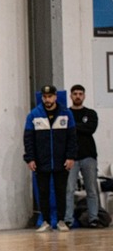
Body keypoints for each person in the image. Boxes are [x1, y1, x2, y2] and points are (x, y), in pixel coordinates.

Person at [23, 85, 77, 233]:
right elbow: (28, 140)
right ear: (42, 98)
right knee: (43, 192)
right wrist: (30, 159)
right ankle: (46, 221)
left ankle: (61, 220)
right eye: (45, 97)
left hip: (61, 161)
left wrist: (71, 157)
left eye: (50, 96)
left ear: (55, 97)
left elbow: (72, 138)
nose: (47, 99)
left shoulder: (66, 114)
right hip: (41, 161)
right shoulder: (33, 115)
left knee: (61, 192)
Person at [65, 84, 100, 228]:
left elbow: (90, 129)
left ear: (84, 96)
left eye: (80, 93)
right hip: (71, 157)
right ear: (71, 96)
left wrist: (73, 126)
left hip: (88, 156)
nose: (78, 96)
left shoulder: (91, 113)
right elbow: (64, 131)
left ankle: (93, 218)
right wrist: (76, 127)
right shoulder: (65, 113)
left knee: (91, 189)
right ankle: (68, 219)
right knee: (69, 189)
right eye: (75, 94)